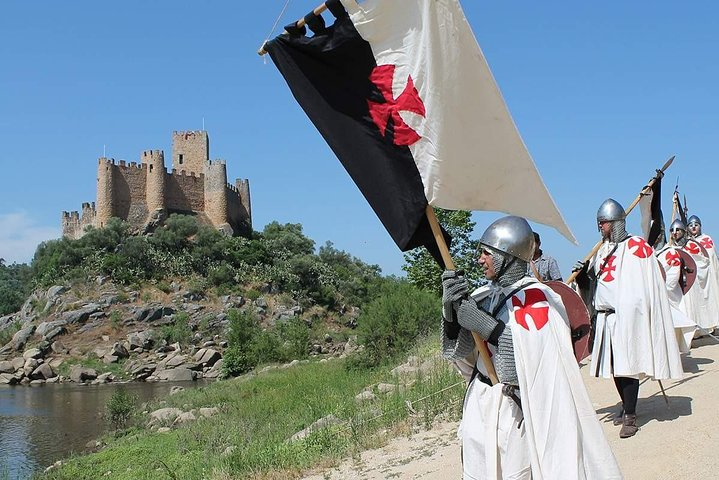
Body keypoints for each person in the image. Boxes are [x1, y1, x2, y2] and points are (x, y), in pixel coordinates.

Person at [442, 215, 621, 479]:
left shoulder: (539, 300)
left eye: (487, 253)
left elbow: (526, 366)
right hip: (480, 406)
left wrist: (486, 326)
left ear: (507, 255)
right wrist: (451, 314)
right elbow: (459, 354)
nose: (480, 259)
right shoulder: (482, 297)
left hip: (515, 414)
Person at [573, 199, 683, 439]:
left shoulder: (637, 247)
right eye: (599, 223)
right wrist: (583, 277)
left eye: (603, 223)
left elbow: (646, 284)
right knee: (614, 366)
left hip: (628, 317)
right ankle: (626, 404)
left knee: (628, 365)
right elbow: (595, 286)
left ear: (616, 223)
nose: (600, 227)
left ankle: (631, 415)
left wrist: (631, 309)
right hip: (605, 318)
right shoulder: (601, 250)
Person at [654, 219, 698, 352]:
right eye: (672, 230)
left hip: (682, 289)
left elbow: (692, 267)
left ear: (684, 232)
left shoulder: (688, 248)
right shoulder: (665, 250)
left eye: (678, 230)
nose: (675, 233)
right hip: (667, 293)